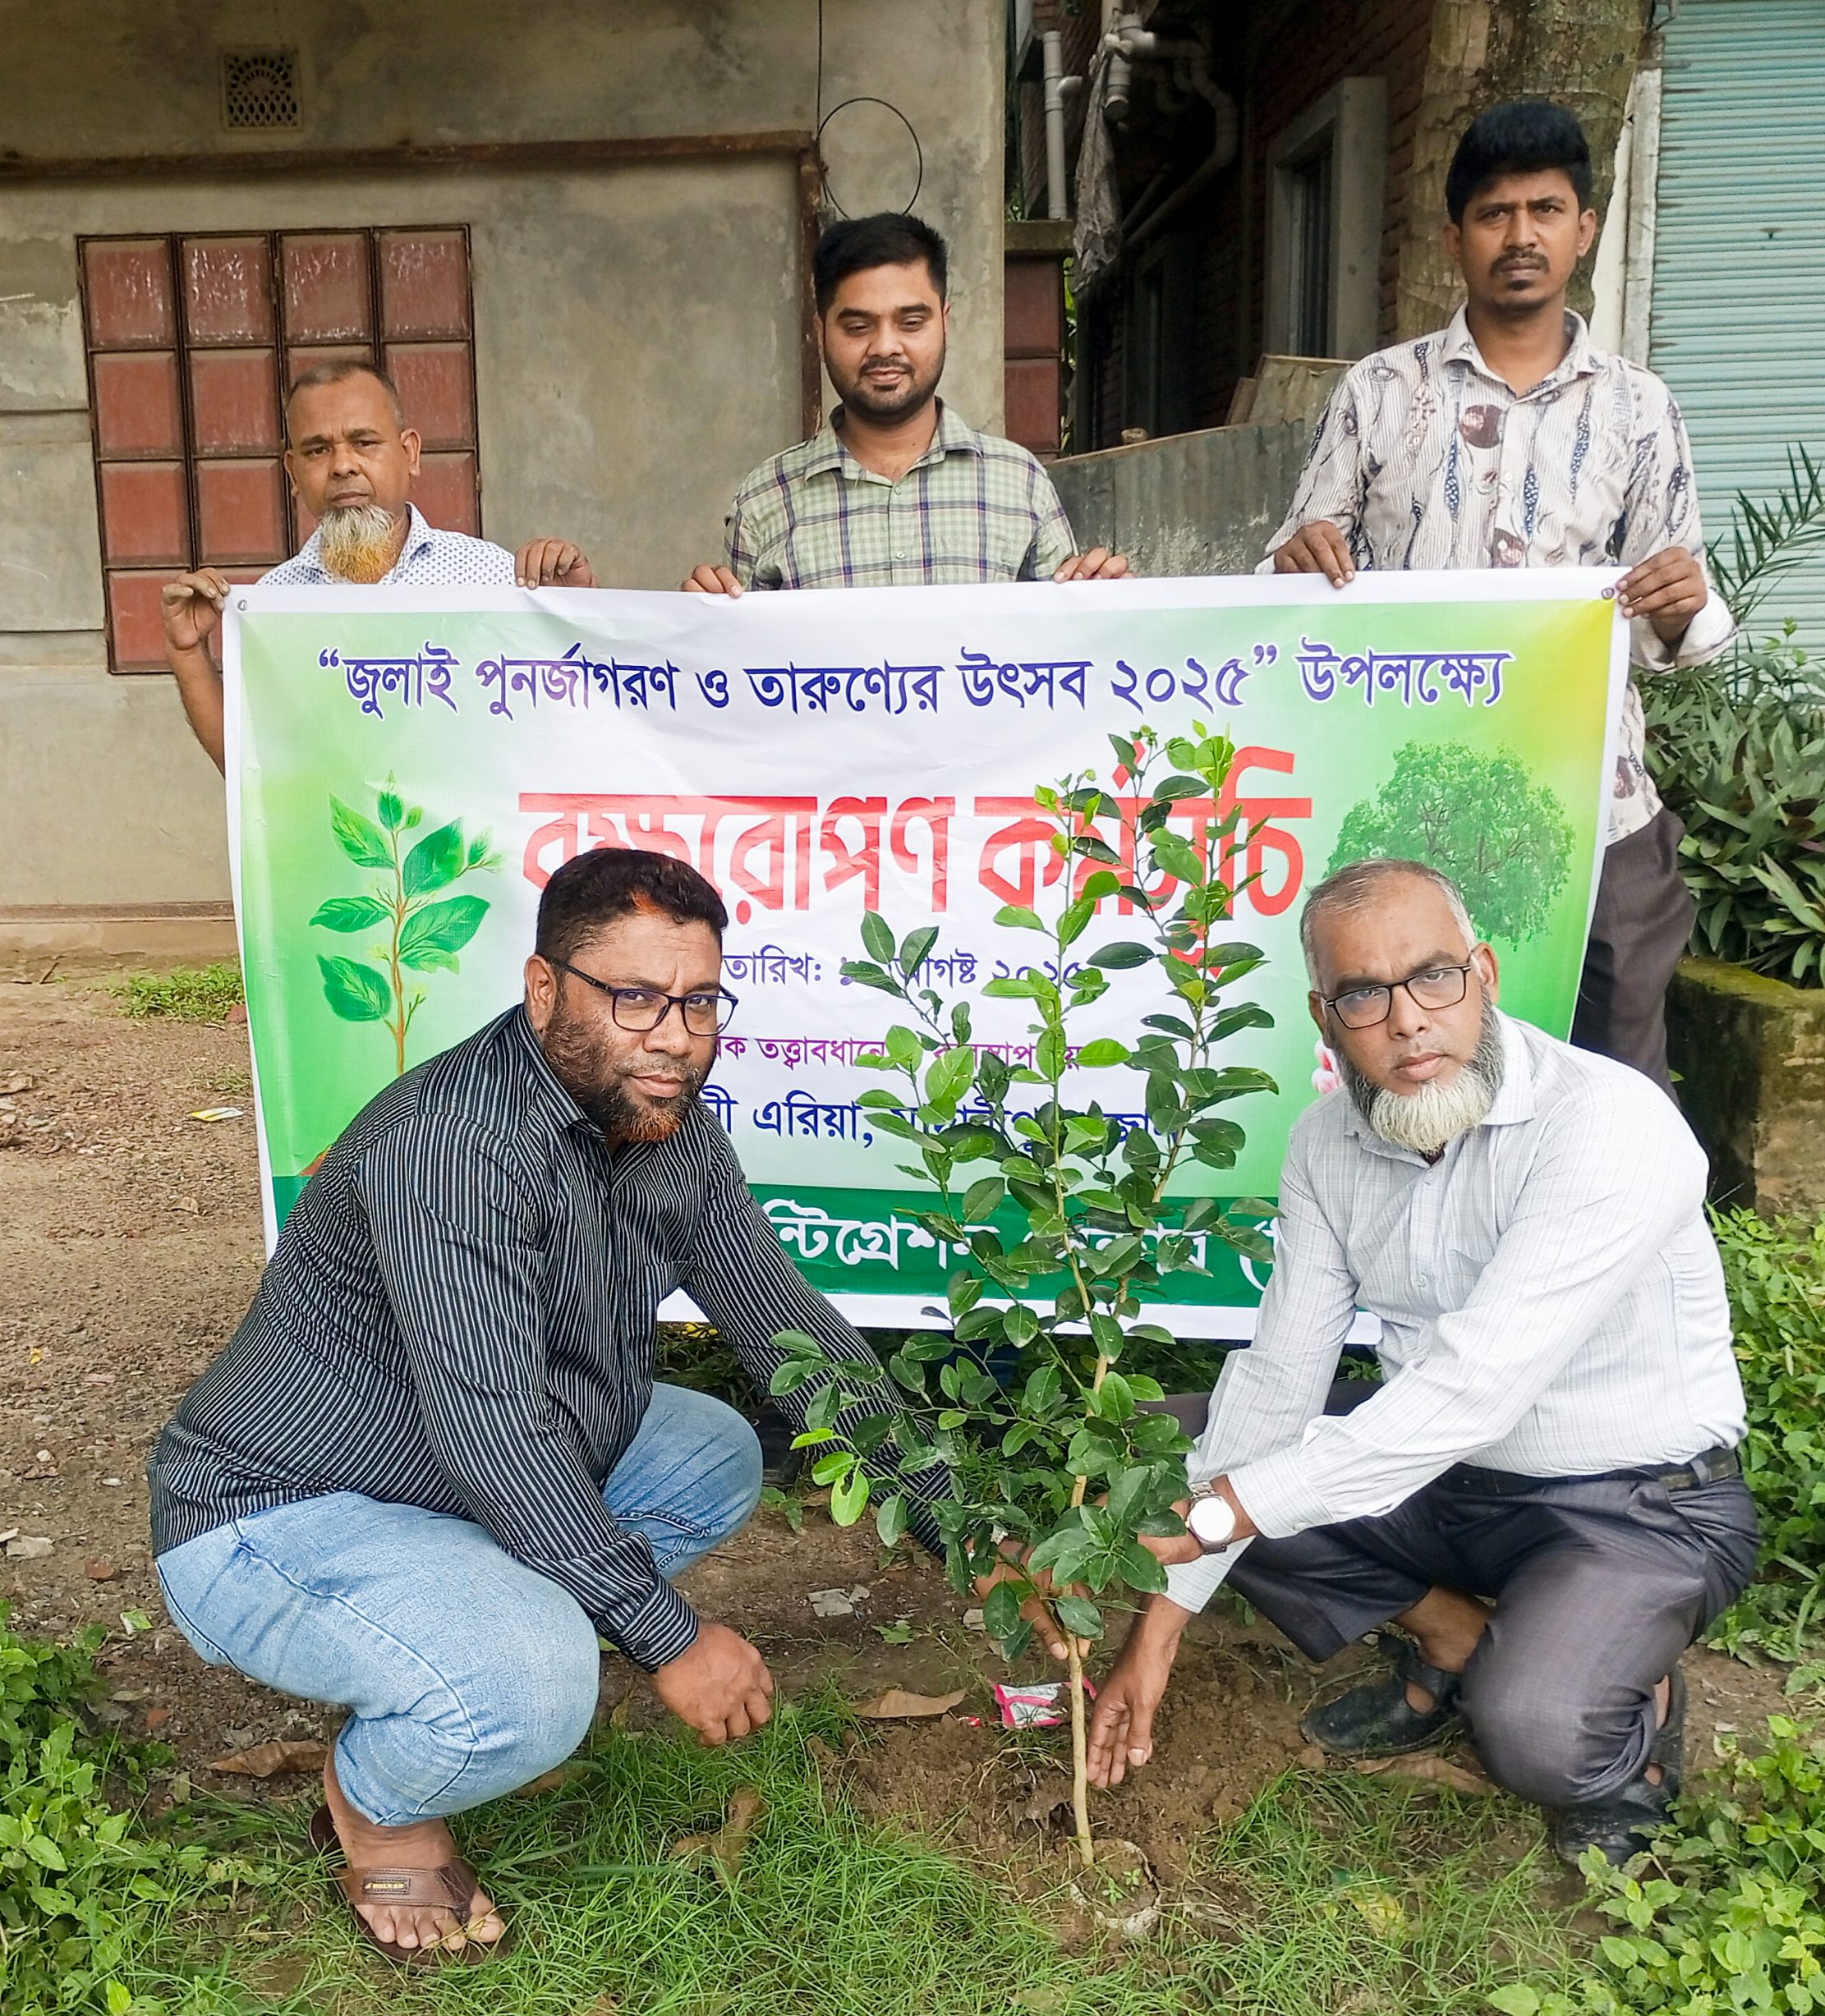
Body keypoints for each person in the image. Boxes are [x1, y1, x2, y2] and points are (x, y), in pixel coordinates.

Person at [148, 847, 1055, 1965]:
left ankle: (467, 1629)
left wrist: (970, 1535)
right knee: (538, 1686)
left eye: (699, 1002)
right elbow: (493, 1429)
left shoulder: (664, 1121)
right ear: (543, 992)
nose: (675, 1035)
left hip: (439, 1473)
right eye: (633, 998)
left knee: (711, 1451)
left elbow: (796, 1338)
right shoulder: (455, 1147)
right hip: (278, 1512)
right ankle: (377, 1795)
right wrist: (668, 1636)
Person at [1083, 858, 1757, 1865]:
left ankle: (1630, 1723)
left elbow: (1472, 1388)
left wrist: (1224, 1512)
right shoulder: (1325, 1145)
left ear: (1481, 973)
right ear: (1325, 1018)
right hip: (1450, 1484)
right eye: (1363, 994)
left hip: (1637, 1502)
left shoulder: (1606, 1124)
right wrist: (1160, 1627)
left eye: (1431, 976)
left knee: (1531, 1729)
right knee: (1174, 1442)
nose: (1405, 1020)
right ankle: (1454, 1636)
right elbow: (1278, 1377)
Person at [1263, 100, 1734, 1088]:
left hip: (1597, 810)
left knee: (1613, 1087)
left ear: (1583, 228)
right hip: (1404, 805)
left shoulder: (1637, 408)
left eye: (1545, 210)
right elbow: (1292, 580)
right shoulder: (1378, 393)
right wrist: (1294, 560)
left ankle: (1610, 1249)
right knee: (1415, 1072)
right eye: (1493, 213)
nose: (1519, 236)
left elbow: (1679, 627)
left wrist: (1680, 599)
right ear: (1453, 237)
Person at [159, 358, 596, 772]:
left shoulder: (491, 576)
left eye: (364, 443)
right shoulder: (275, 604)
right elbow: (252, 769)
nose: (343, 466)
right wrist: (187, 653)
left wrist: (578, 616)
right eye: (317, 451)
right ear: (293, 473)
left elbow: (578, 725)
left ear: (410, 453)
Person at [682, 213, 1128, 595]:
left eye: (911, 322)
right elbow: (740, 672)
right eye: (858, 327)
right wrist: (702, 618)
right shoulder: (765, 498)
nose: (885, 347)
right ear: (821, 332)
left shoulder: (1018, 481)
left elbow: (1063, 653)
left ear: (944, 322)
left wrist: (1104, 606)